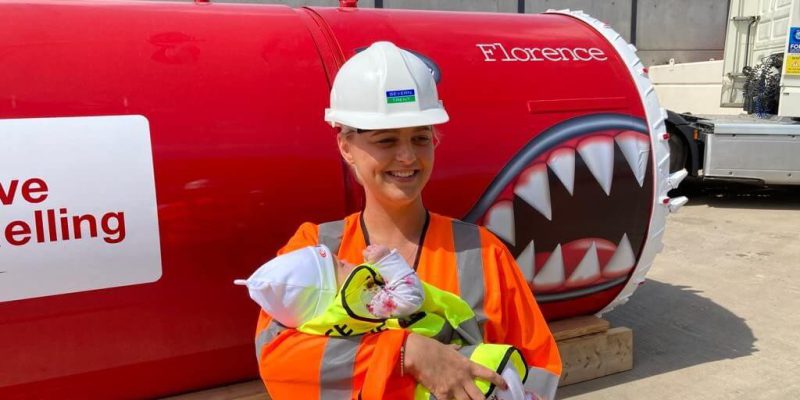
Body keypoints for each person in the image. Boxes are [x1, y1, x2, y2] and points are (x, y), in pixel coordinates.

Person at [254, 41, 561, 400]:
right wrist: (406, 354)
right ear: (345, 147)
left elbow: (540, 367)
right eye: (386, 140)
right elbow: (277, 358)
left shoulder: (481, 253)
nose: (407, 157)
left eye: (420, 138)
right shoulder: (315, 250)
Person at [237, 244, 532, 399]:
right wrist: (408, 348)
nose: (349, 263)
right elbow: (408, 297)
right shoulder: (359, 297)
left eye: (419, 137)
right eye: (340, 264)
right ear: (346, 147)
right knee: (501, 370)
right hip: (447, 369)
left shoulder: (311, 319)